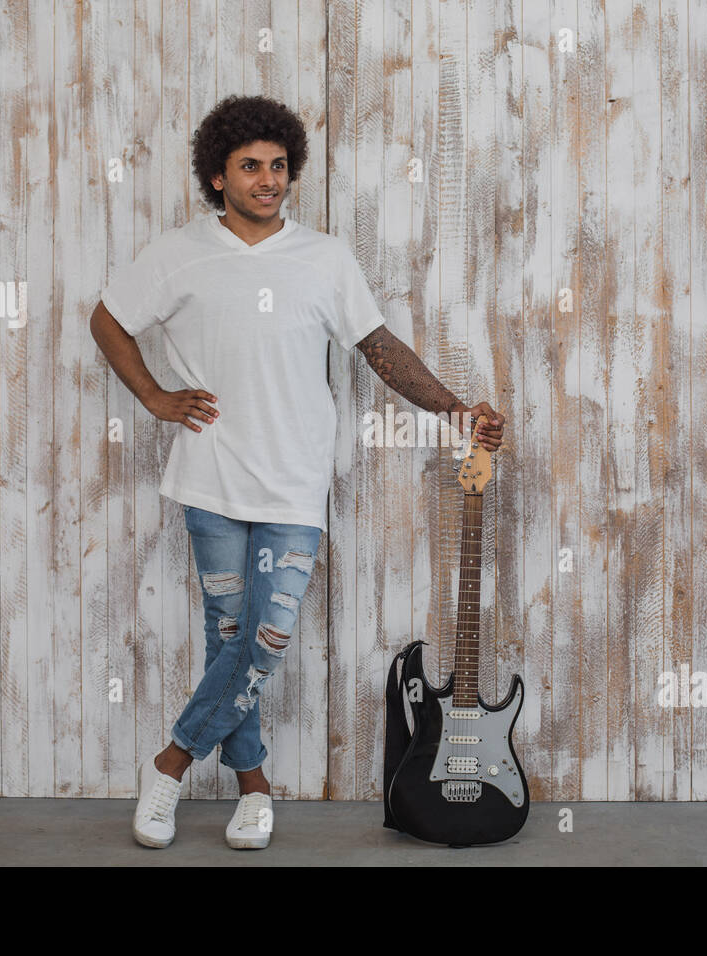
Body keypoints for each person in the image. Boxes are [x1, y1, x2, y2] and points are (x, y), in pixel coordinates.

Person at [89, 94, 506, 850]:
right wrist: (152, 395)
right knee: (230, 640)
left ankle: (170, 763)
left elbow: (381, 349)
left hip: (293, 482)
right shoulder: (179, 252)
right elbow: (108, 319)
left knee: (266, 635)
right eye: (251, 167)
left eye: (279, 166)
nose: (268, 179)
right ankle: (253, 788)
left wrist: (454, 412)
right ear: (218, 177)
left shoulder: (323, 258)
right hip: (211, 478)